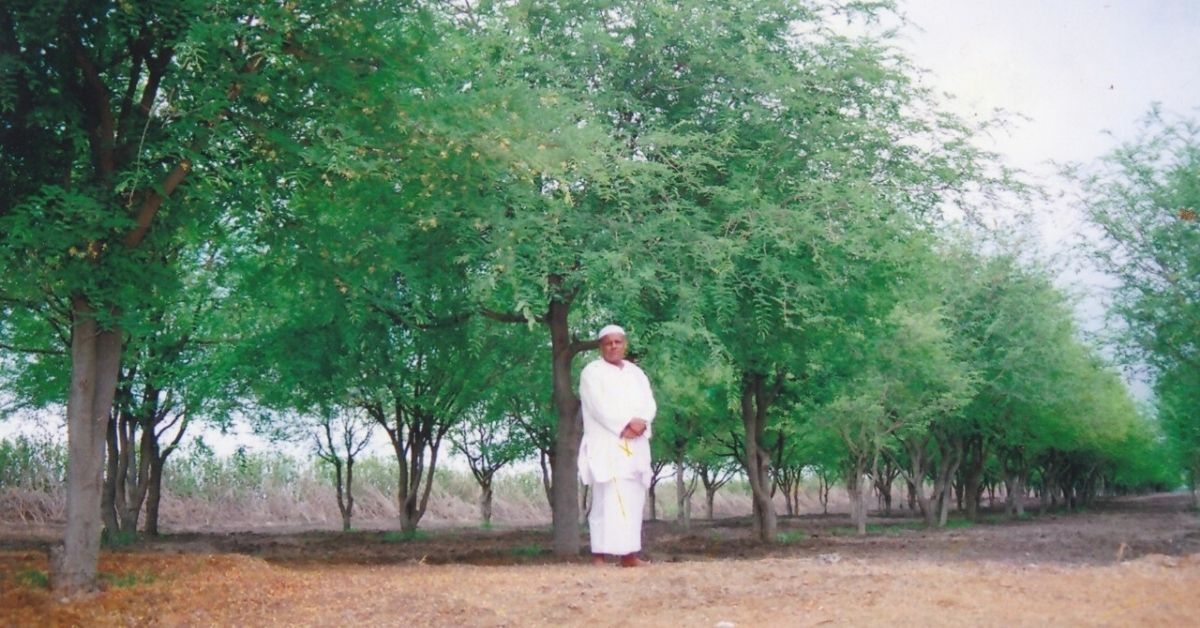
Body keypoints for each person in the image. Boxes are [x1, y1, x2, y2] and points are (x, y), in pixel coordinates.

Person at [578, 324, 656, 567]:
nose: (613, 346)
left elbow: (649, 402)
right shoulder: (591, 372)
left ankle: (629, 555)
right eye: (608, 343)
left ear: (625, 344)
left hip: (635, 445)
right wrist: (624, 424)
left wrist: (642, 422)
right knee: (607, 500)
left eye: (617, 342)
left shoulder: (636, 373)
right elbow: (598, 406)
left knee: (632, 500)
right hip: (608, 444)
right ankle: (599, 555)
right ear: (601, 346)